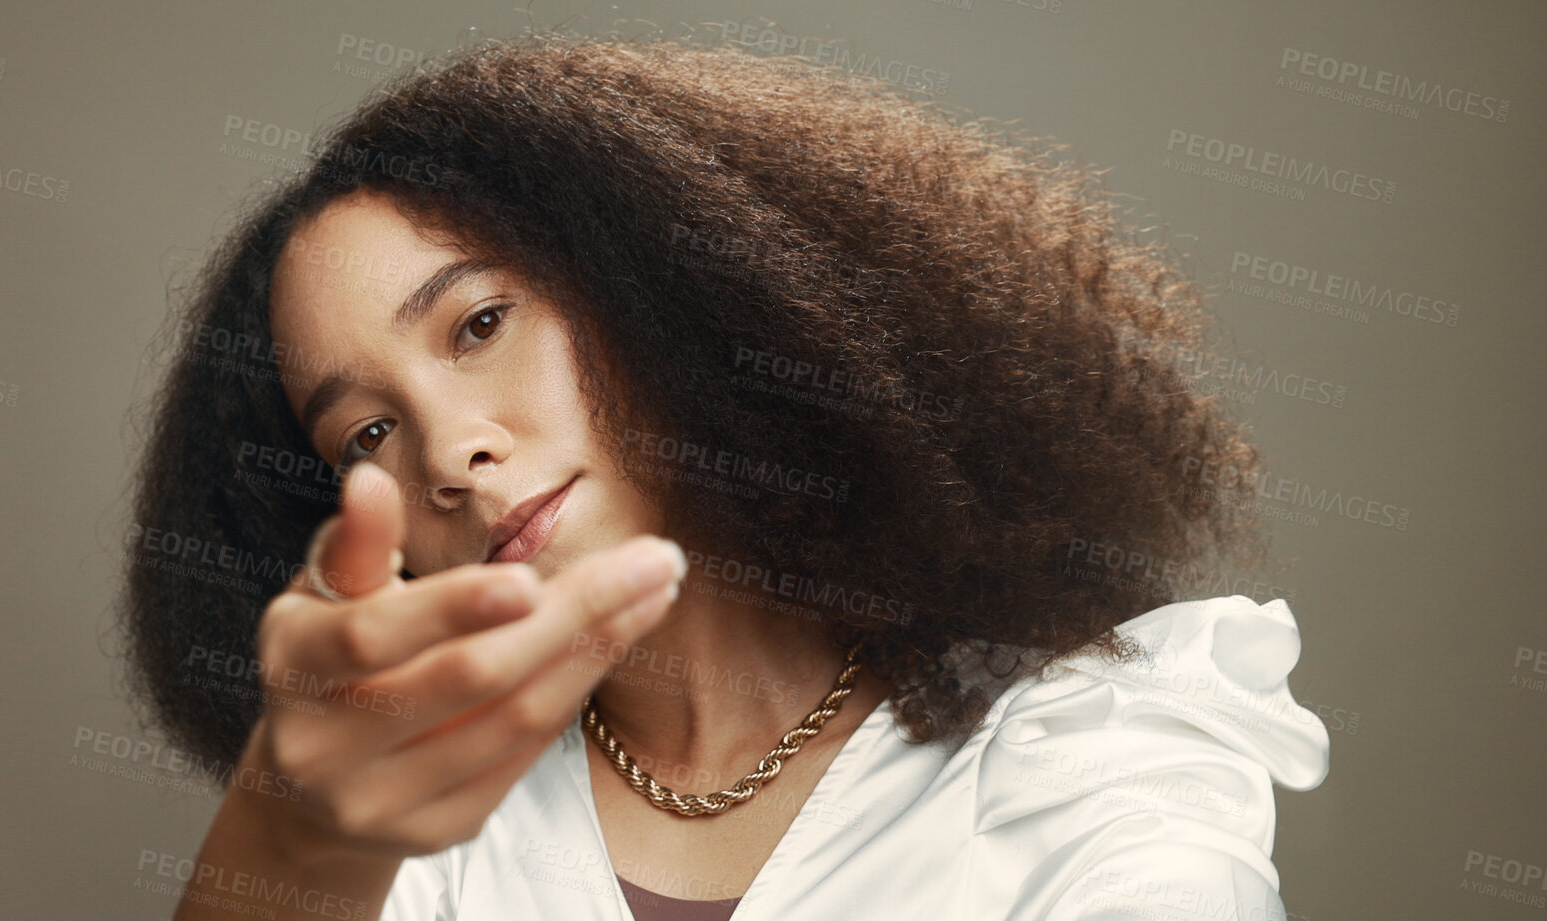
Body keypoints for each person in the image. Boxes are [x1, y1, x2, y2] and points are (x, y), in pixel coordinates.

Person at [120, 32, 1329, 921]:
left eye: (481, 324)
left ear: (661, 294)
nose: (449, 453)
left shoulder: (1093, 757)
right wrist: (293, 828)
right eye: (365, 438)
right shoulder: (416, 838)